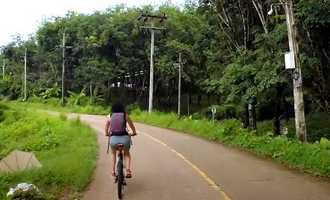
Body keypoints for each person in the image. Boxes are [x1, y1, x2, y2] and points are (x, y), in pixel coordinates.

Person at [105, 102, 137, 178]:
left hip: (113, 140)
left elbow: (106, 127)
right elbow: (131, 126)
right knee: (126, 154)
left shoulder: (110, 116)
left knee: (113, 153)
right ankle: (128, 170)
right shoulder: (125, 115)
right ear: (123, 108)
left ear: (113, 109)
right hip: (125, 139)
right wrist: (134, 132)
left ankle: (113, 171)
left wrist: (107, 133)